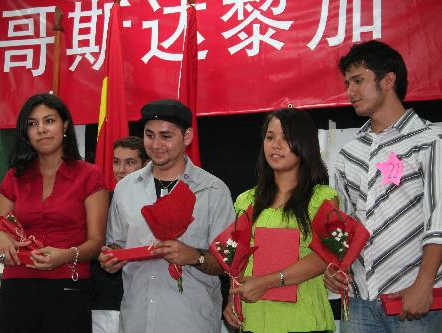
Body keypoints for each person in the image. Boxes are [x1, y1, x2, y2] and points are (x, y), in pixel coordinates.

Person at [325, 40, 442, 332]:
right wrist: (334, 267)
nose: (350, 91)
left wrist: (423, 284)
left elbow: (439, 219)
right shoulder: (349, 153)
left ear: (388, 80)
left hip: (414, 299)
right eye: (347, 83)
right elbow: (344, 225)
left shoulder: (430, 139)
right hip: (359, 299)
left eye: (358, 81)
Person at [99, 99, 236, 333]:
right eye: (149, 135)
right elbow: (116, 242)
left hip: (191, 321)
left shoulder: (212, 190)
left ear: (188, 137)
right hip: (136, 320)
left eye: (166, 136)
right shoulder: (126, 188)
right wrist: (110, 257)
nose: (156, 144)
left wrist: (194, 256)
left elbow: (229, 262)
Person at [0, 93, 108, 333]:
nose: (41, 129)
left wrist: (64, 256)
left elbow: (96, 243)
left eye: (49, 121)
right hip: (16, 287)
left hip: (68, 287)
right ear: (26, 133)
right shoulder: (14, 176)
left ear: (65, 125)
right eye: (32, 124)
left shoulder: (89, 174)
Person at [223, 108, 337, 333]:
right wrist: (231, 298)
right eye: (270, 137)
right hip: (254, 320)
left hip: (304, 321)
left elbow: (328, 255)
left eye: (286, 138)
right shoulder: (246, 200)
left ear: (304, 143)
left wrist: (267, 281)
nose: (275, 144)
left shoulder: (322, 198)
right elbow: (236, 257)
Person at [91, 136, 148, 333]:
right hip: (104, 302)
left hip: (146, 301)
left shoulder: (157, 202)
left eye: (129, 162)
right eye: (116, 162)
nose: (121, 170)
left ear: (146, 165)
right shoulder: (98, 200)